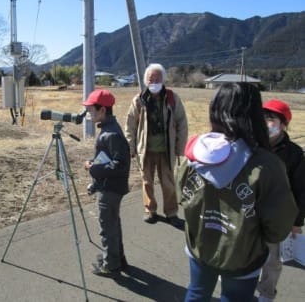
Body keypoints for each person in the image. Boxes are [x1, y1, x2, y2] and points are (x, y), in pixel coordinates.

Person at [175, 82, 298, 302]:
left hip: (200, 246)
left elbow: (181, 196)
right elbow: (278, 226)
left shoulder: (197, 152)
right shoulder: (266, 165)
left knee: (196, 292)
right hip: (243, 254)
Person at [124, 63, 188, 226]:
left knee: (168, 182)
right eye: (151, 79)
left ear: (163, 80)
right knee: (147, 182)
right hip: (145, 150)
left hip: (166, 150)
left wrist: (180, 148)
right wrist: (130, 148)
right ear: (146, 80)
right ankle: (150, 210)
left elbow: (182, 123)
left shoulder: (172, 98)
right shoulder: (139, 100)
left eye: (157, 79)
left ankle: (171, 212)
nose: (154, 82)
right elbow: (130, 125)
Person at [257, 99, 305, 302]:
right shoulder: (253, 144)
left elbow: (301, 189)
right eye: (264, 117)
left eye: (271, 118)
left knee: (272, 260)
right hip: (250, 211)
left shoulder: (294, 153)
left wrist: (297, 222)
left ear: (284, 124)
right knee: (243, 254)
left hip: (278, 216)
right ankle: (239, 289)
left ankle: (266, 295)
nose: (266, 122)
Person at [83, 89, 130, 277]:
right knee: (113, 223)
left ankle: (111, 265)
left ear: (102, 110)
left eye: (91, 110)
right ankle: (118, 258)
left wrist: (92, 168)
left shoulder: (111, 134)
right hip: (109, 186)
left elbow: (120, 165)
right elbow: (108, 159)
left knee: (107, 226)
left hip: (110, 188)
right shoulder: (109, 129)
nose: (89, 113)